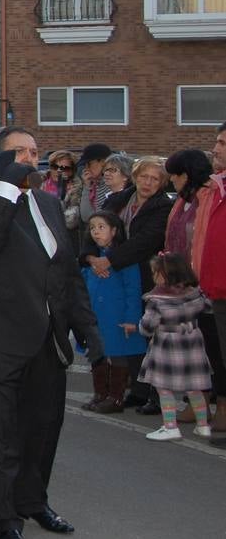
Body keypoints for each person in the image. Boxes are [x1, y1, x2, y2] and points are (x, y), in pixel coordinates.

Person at [0, 127, 103, 539]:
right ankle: (5, 521)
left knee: (42, 430)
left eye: (34, 152)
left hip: (47, 338)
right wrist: (5, 188)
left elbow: (67, 274)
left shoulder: (50, 203)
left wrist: (89, 331)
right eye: (18, 152)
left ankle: (34, 503)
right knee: (1, 438)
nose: (28, 158)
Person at [86, 155, 172, 414]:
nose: (147, 182)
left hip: (144, 274)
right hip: (107, 275)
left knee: (145, 333)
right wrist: (90, 258)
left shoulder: (162, 208)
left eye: (154, 178)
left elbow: (145, 242)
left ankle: (154, 395)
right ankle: (135, 389)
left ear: (162, 182)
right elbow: (94, 225)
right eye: (143, 176)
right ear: (134, 177)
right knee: (119, 333)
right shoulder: (117, 199)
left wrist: (109, 261)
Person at [138, 253, 214, 441]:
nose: (154, 276)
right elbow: (208, 307)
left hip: (167, 345)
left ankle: (170, 426)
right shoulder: (194, 292)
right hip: (192, 342)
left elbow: (147, 327)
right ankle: (203, 425)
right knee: (194, 387)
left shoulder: (157, 300)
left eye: (156, 272)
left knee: (164, 388)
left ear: (166, 275)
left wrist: (140, 327)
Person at [79, 213, 146, 414]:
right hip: (95, 315)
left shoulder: (123, 258)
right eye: (93, 228)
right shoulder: (90, 259)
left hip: (117, 315)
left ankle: (116, 397)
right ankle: (100, 394)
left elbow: (133, 290)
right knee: (97, 354)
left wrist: (131, 318)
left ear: (114, 231)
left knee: (118, 355)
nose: (96, 232)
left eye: (102, 227)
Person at [192, 123, 226, 445]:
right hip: (217, 289)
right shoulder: (215, 187)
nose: (216, 148)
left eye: (223, 143)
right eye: (217, 141)